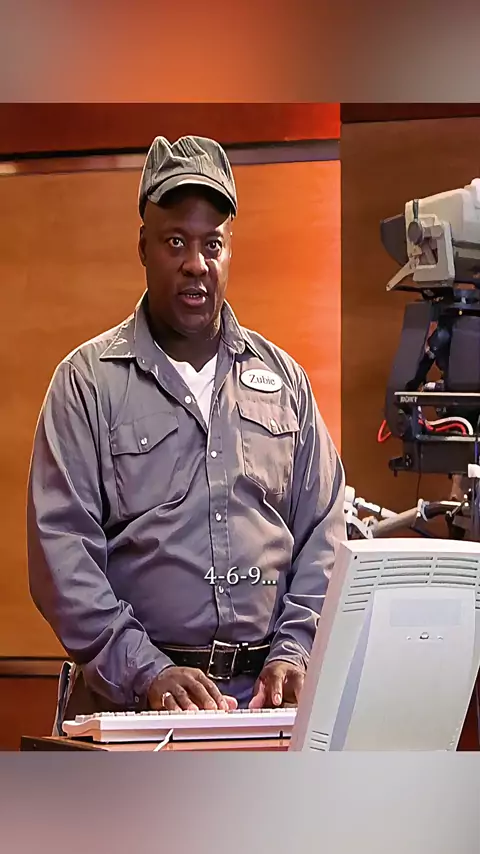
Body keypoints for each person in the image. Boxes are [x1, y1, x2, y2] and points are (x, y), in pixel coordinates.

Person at [27, 135, 346, 726]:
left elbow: (325, 532)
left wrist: (296, 649)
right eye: (176, 241)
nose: (196, 262)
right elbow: (61, 556)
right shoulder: (86, 383)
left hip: (267, 708)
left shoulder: (286, 381)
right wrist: (148, 671)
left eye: (212, 243)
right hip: (131, 708)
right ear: (143, 247)